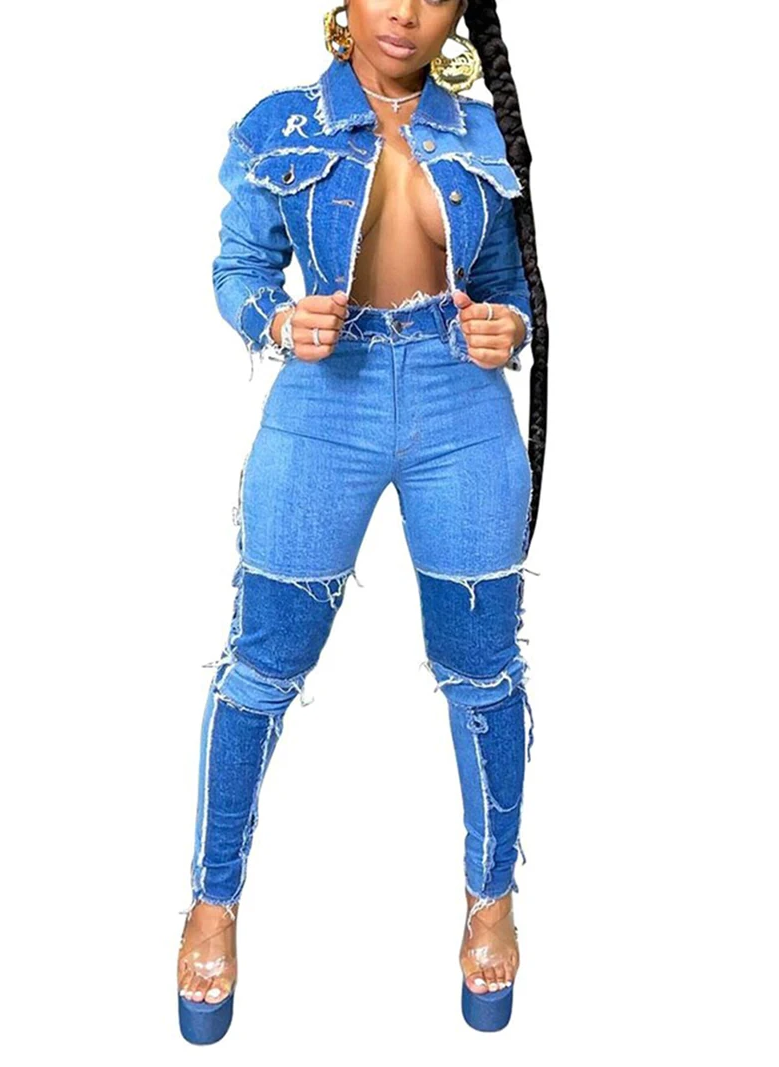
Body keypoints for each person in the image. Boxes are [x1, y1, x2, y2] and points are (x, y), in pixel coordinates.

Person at [177, 0, 549, 1041]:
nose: (406, 11)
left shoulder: (482, 132)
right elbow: (238, 268)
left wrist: (507, 325)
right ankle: (212, 903)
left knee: (484, 668)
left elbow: (508, 285)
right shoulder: (281, 124)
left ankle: (490, 898)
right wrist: (273, 317)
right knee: (261, 664)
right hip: (323, 401)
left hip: (460, 405)